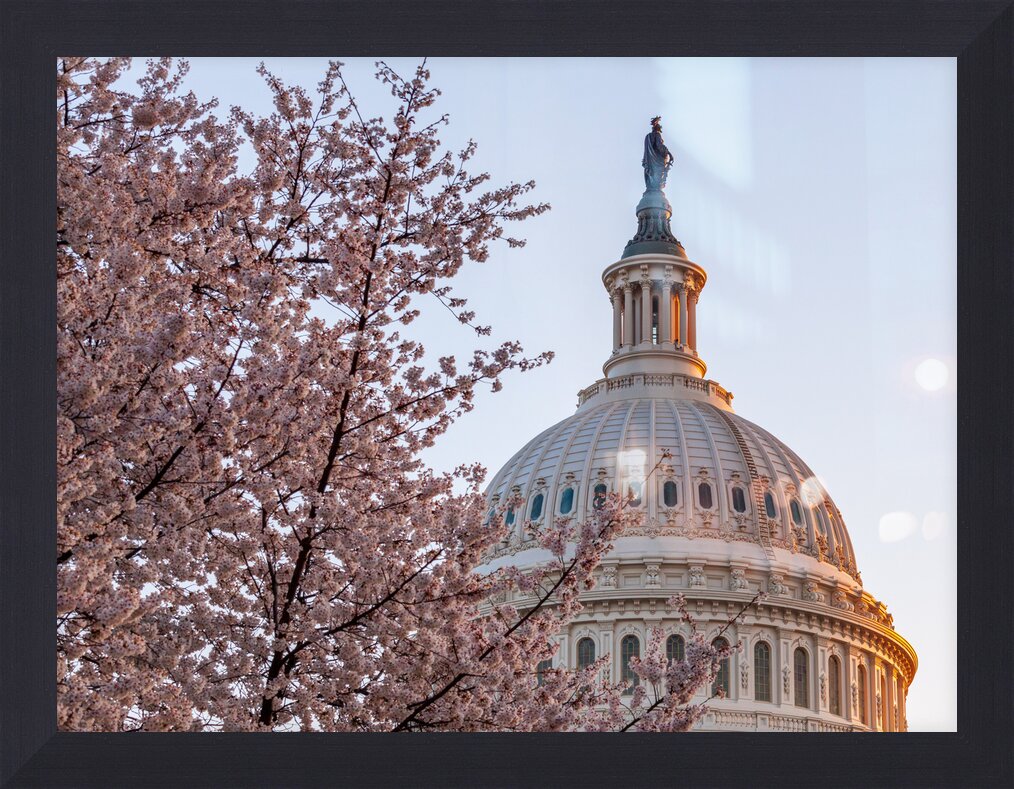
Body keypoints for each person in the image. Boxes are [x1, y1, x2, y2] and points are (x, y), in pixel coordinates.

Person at [642, 116, 675, 189]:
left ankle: (651, 188)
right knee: (658, 178)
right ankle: (655, 188)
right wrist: (669, 153)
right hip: (657, 161)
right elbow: (659, 146)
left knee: (651, 177)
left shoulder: (648, 136)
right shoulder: (657, 135)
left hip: (650, 162)